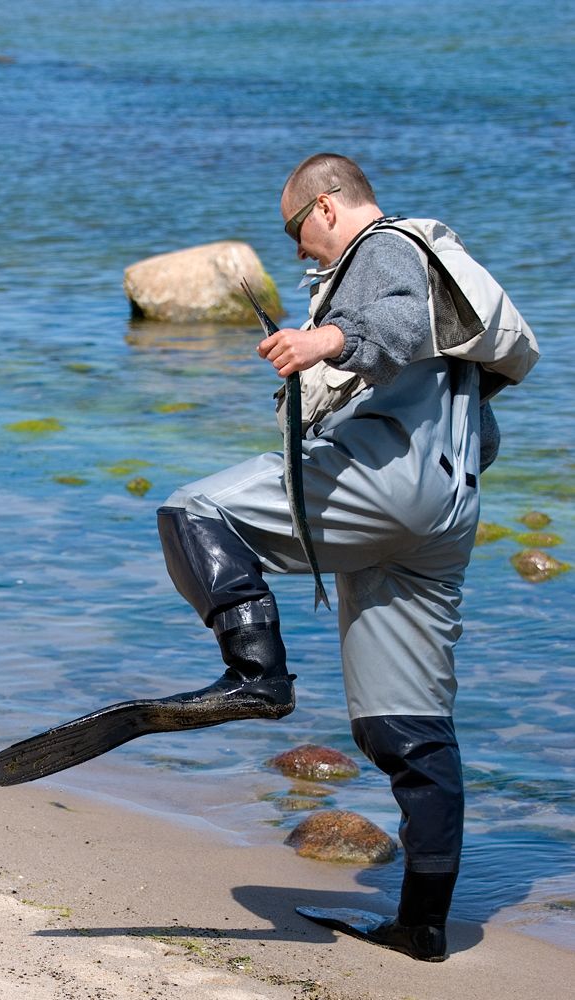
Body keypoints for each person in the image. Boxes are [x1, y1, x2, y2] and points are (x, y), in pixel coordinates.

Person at [156, 153, 514, 962]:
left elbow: (394, 320)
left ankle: (257, 675)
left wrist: (323, 338)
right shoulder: (451, 279)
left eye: (296, 230)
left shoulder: (384, 248)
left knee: (192, 511)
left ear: (325, 205)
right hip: (448, 508)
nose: (298, 250)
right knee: (406, 725)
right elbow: (480, 428)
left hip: (391, 482)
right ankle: (422, 925)